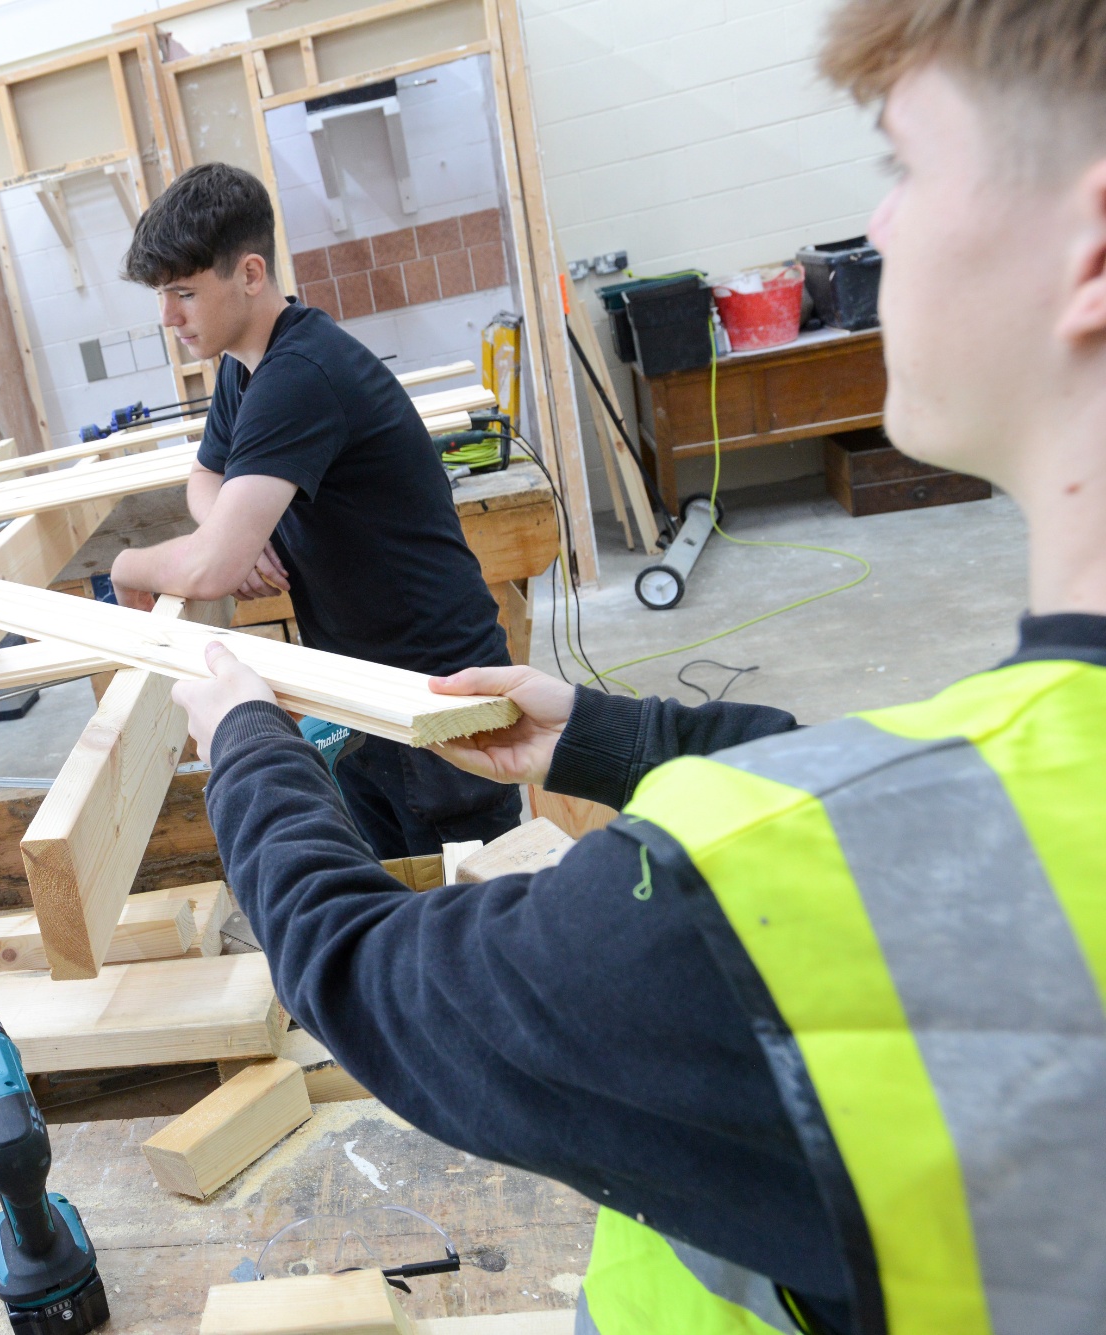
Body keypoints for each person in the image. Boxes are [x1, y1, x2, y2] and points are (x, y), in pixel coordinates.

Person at [166, 1, 1106, 1330]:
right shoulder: (1022, 786)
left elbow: (368, 973)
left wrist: (244, 733)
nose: (880, 231)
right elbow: (926, 818)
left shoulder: (733, 904)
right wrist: (631, 744)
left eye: (905, 167)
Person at [110, 163, 519, 855]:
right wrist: (232, 524)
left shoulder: (300, 374)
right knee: (395, 904)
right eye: (160, 296)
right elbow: (206, 473)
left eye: (183, 293)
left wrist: (131, 562)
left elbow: (211, 569)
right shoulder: (247, 366)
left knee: (471, 927)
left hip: (437, 697)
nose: (167, 318)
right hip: (358, 689)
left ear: (249, 273)